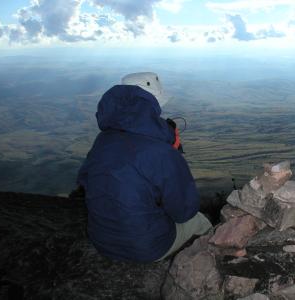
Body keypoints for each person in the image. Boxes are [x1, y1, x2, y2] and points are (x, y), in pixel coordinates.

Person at [77, 72, 212, 262]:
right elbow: (184, 211)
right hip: (146, 248)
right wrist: (172, 154)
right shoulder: (161, 152)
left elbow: (86, 180)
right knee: (200, 221)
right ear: (153, 105)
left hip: (102, 241)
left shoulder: (103, 140)